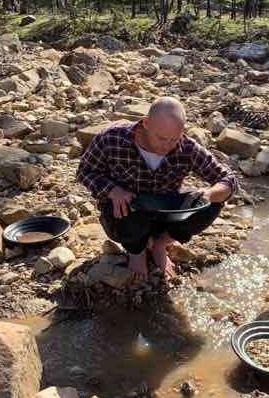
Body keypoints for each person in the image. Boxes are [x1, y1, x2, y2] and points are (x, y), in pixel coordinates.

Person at [76, 97, 237, 280]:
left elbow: (228, 179)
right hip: (125, 214)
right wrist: (113, 190)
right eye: (161, 138)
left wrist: (209, 194)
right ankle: (136, 251)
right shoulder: (112, 138)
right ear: (145, 123)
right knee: (127, 216)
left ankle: (159, 245)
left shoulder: (187, 148)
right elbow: (84, 172)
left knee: (212, 204)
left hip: (164, 214)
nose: (167, 146)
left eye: (173, 139)